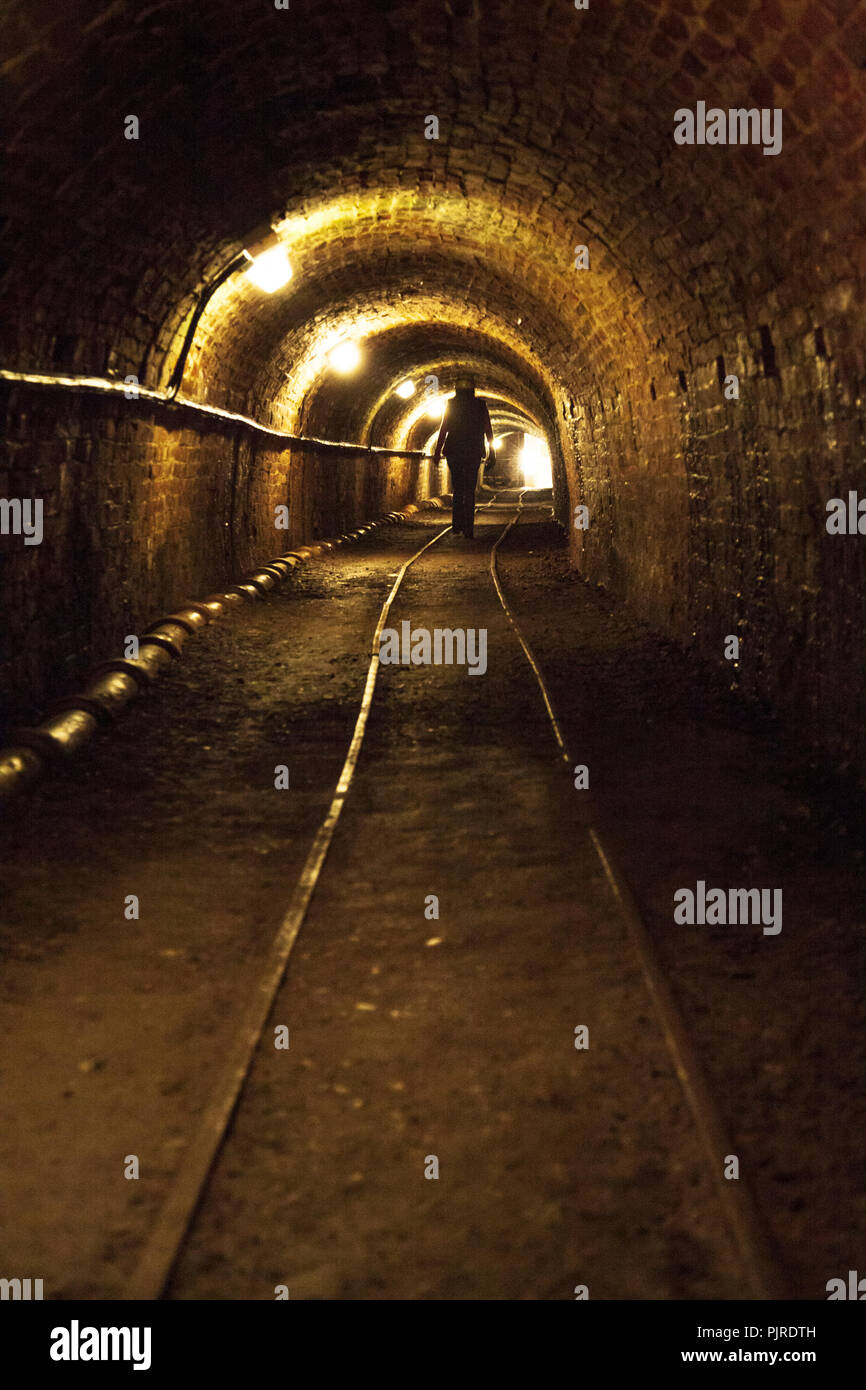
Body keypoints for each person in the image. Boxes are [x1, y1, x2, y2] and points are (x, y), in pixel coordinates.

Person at [432, 376, 495, 538]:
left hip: (455, 452)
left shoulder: (452, 405)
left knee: (458, 488)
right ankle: (468, 528)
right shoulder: (480, 405)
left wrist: (438, 451)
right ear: (472, 390)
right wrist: (492, 452)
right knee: (469, 490)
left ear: (457, 390)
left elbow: (444, 428)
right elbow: (488, 429)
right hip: (473, 452)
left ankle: (457, 525)